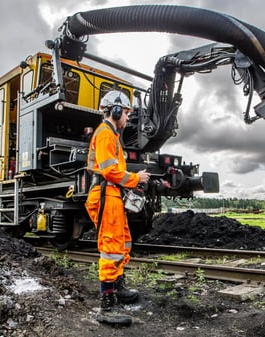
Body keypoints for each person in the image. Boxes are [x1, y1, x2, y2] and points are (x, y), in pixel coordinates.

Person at [85, 90, 151, 325]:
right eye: (125, 112)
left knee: (122, 243)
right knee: (111, 248)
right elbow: (110, 171)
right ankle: (106, 306)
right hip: (105, 194)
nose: (127, 118)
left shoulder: (111, 135)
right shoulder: (104, 134)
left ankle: (118, 287)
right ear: (114, 110)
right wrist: (136, 178)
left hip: (112, 195)